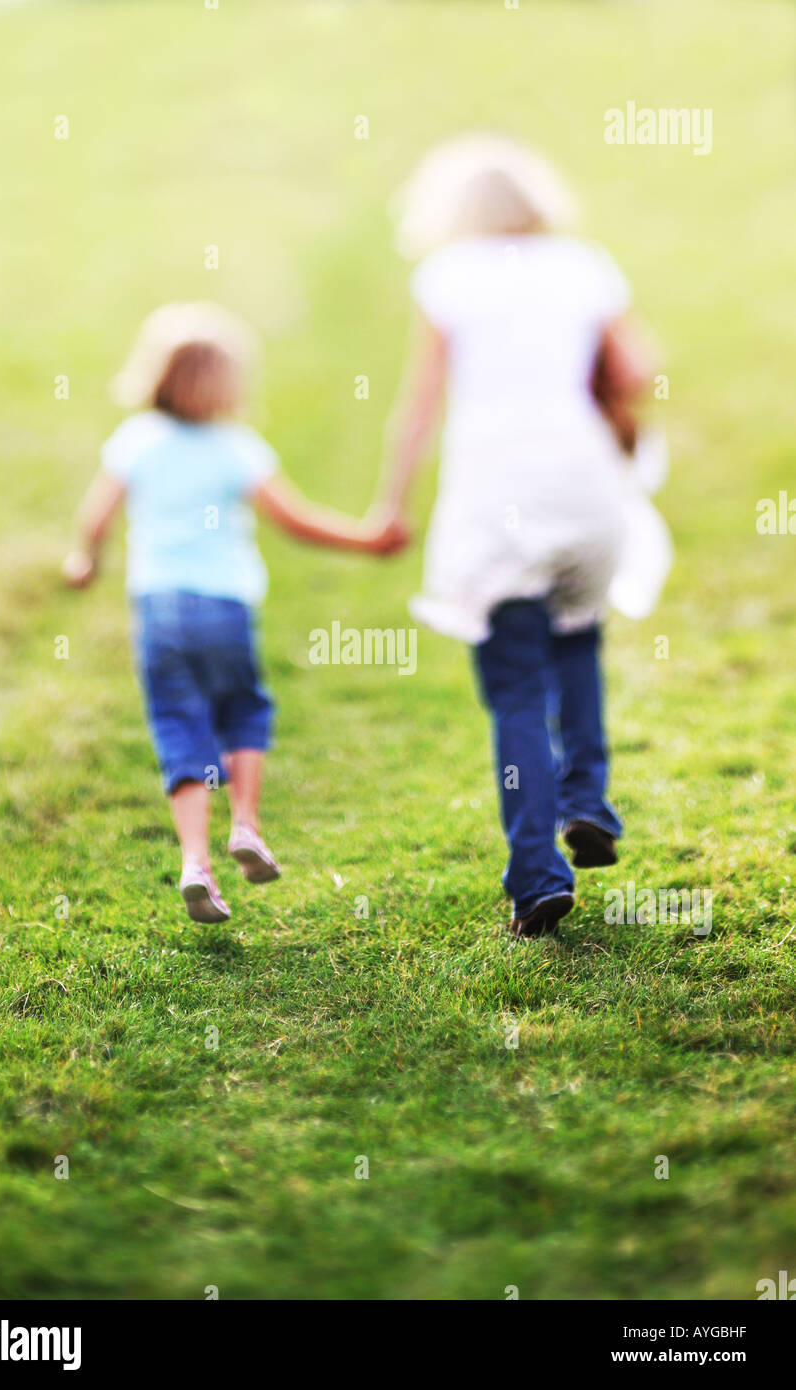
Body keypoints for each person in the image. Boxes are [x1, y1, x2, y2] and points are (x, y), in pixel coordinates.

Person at [375, 134, 672, 936]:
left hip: (494, 504)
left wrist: (390, 507)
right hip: (587, 493)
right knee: (576, 641)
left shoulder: (446, 278)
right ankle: (588, 801)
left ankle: (536, 874)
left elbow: (419, 405)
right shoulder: (583, 266)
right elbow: (636, 369)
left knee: (512, 686)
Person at [62, 302, 406, 924]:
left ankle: (196, 863)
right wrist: (367, 540)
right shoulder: (237, 447)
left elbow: (96, 515)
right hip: (224, 605)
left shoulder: (136, 440)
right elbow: (295, 521)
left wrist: (84, 560)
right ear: (229, 385)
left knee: (178, 724)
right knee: (243, 707)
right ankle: (245, 824)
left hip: (159, 606)